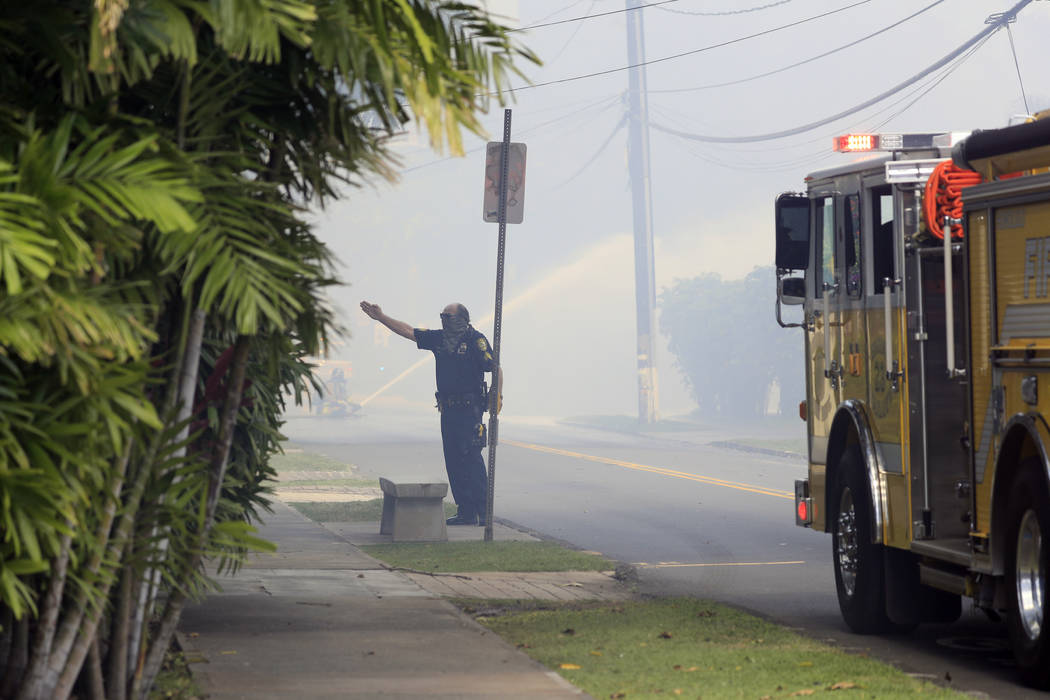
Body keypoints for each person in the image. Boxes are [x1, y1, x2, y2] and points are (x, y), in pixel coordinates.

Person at [360, 301, 502, 525]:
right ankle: (466, 511)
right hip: (448, 410)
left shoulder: (476, 340)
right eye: (442, 316)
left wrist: (497, 396)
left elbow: (495, 368)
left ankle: (483, 512)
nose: (443, 320)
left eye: (448, 316)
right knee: (453, 460)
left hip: (470, 409)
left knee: (472, 458)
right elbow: (408, 331)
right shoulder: (439, 339)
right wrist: (382, 317)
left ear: (462, 319)